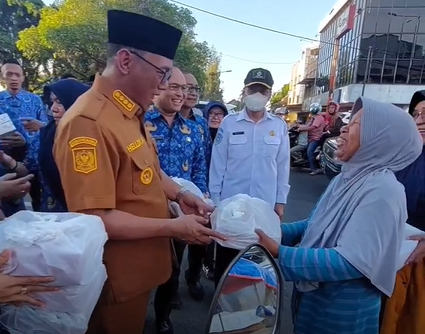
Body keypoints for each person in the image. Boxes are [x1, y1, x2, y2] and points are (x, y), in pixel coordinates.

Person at [52, 10, 224, 334]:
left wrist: (183, 195)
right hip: (114, 278)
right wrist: (174, 227)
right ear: (126, 61)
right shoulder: (89, 123)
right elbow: (95, 217)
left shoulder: (129, 112)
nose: (164, 87)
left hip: (141, 269)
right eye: (161, 73)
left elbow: (151, 174)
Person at [255, 97, 423, 334]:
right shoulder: (346, 178)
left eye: (356, 124)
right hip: (316, 300)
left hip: (344, 310)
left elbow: (352, 262)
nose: (343, 127)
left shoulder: (384, 190)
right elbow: (315, 224)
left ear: (380, 137)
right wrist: (272, 231)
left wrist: (279, 252)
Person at [209, 68, 290, 287]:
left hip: (265, 207)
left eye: (262, 90)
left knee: (258, 262)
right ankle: (220, 308)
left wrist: (280, 203)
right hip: (230, 207)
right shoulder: (229, 123)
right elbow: (218, 165)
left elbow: (283, 168)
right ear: (244, 91)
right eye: (253, 88)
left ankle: (251, 310)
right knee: (226, 262)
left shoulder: (279, 126)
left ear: (269, 94)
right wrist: (215, 204)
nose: (257, 94)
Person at [145, 67, 207, 333]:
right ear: (159, 87)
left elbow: (199, 168)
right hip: (143, 212)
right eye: (175, 87)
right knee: (138, 268)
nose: (181, 94)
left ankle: (162, 317)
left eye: (185, 89)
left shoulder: (193, 129)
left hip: (180, 212)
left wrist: (200, 200)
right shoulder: (140, 123)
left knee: (171, 268)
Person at [379, 90, 425, 334]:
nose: (419, 121)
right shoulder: (401, 156)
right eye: (415, 114)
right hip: (390, 258)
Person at [0, 58, 48, 212]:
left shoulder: (35, 100)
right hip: (4, 162)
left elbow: (46, 127)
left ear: (22, 77)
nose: (13, 78)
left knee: (39, 201)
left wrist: (25, 140)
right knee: (8, 205)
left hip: (33, 161)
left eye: (17, 74)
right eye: (9, 74)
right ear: (2, 77)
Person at [39, 79, 90, 212]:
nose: (53, 109)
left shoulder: (90, 137)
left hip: (81, 211)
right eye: (52, 102)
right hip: (50, 209)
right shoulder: (47, 132)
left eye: (60, 102)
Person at [202, 101, 229, 281]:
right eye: (212, 113)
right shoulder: (200, 134)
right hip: (202, 189)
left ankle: (216, 265)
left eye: (220, 113)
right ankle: (204, 264)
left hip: (223, 189)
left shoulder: (227, 135)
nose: (215, 116)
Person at [290, 103, 326, 175]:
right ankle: (301, 161)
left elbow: (312, 127)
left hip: (315, 139)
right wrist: (297, 126)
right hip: (309, 138)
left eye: (314, 108)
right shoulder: (313, 117)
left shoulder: (319, 118)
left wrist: (301, 128)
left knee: (310, 151)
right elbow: (307, 125)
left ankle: (314, 169)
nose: (313, 110)